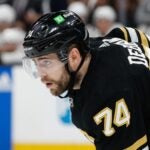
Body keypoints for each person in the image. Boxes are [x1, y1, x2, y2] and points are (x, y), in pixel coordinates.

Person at [22, 10, 150, 149]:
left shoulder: (105, 101)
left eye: (46, 62)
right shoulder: (103, 43)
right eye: (36, 64)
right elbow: (132, 35)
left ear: (74, 57)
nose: (41, 75)